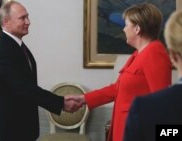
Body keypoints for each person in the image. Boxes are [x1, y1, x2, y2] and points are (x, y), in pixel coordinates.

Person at [67, 3, 172, 141]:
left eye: (126, 25)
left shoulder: (155, 53)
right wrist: (84, 99)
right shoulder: (138, 55)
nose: (123, 29)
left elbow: (162, 103)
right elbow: (118, 89)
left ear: (137, 28)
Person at [0, 1, 80, 141]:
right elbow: (25, 89)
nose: (28, 22)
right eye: (22, 18)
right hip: (5, 128)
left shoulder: (16, 46)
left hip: (18, 127)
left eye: (27, 17)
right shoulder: (4, 50)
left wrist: (61, 101)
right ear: (6, 21)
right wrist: (61, 102)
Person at [124, 10, 182, 141]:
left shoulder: (147, 108)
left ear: (172, 55)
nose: (123, 29)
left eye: (126, 24)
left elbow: (166, 132)